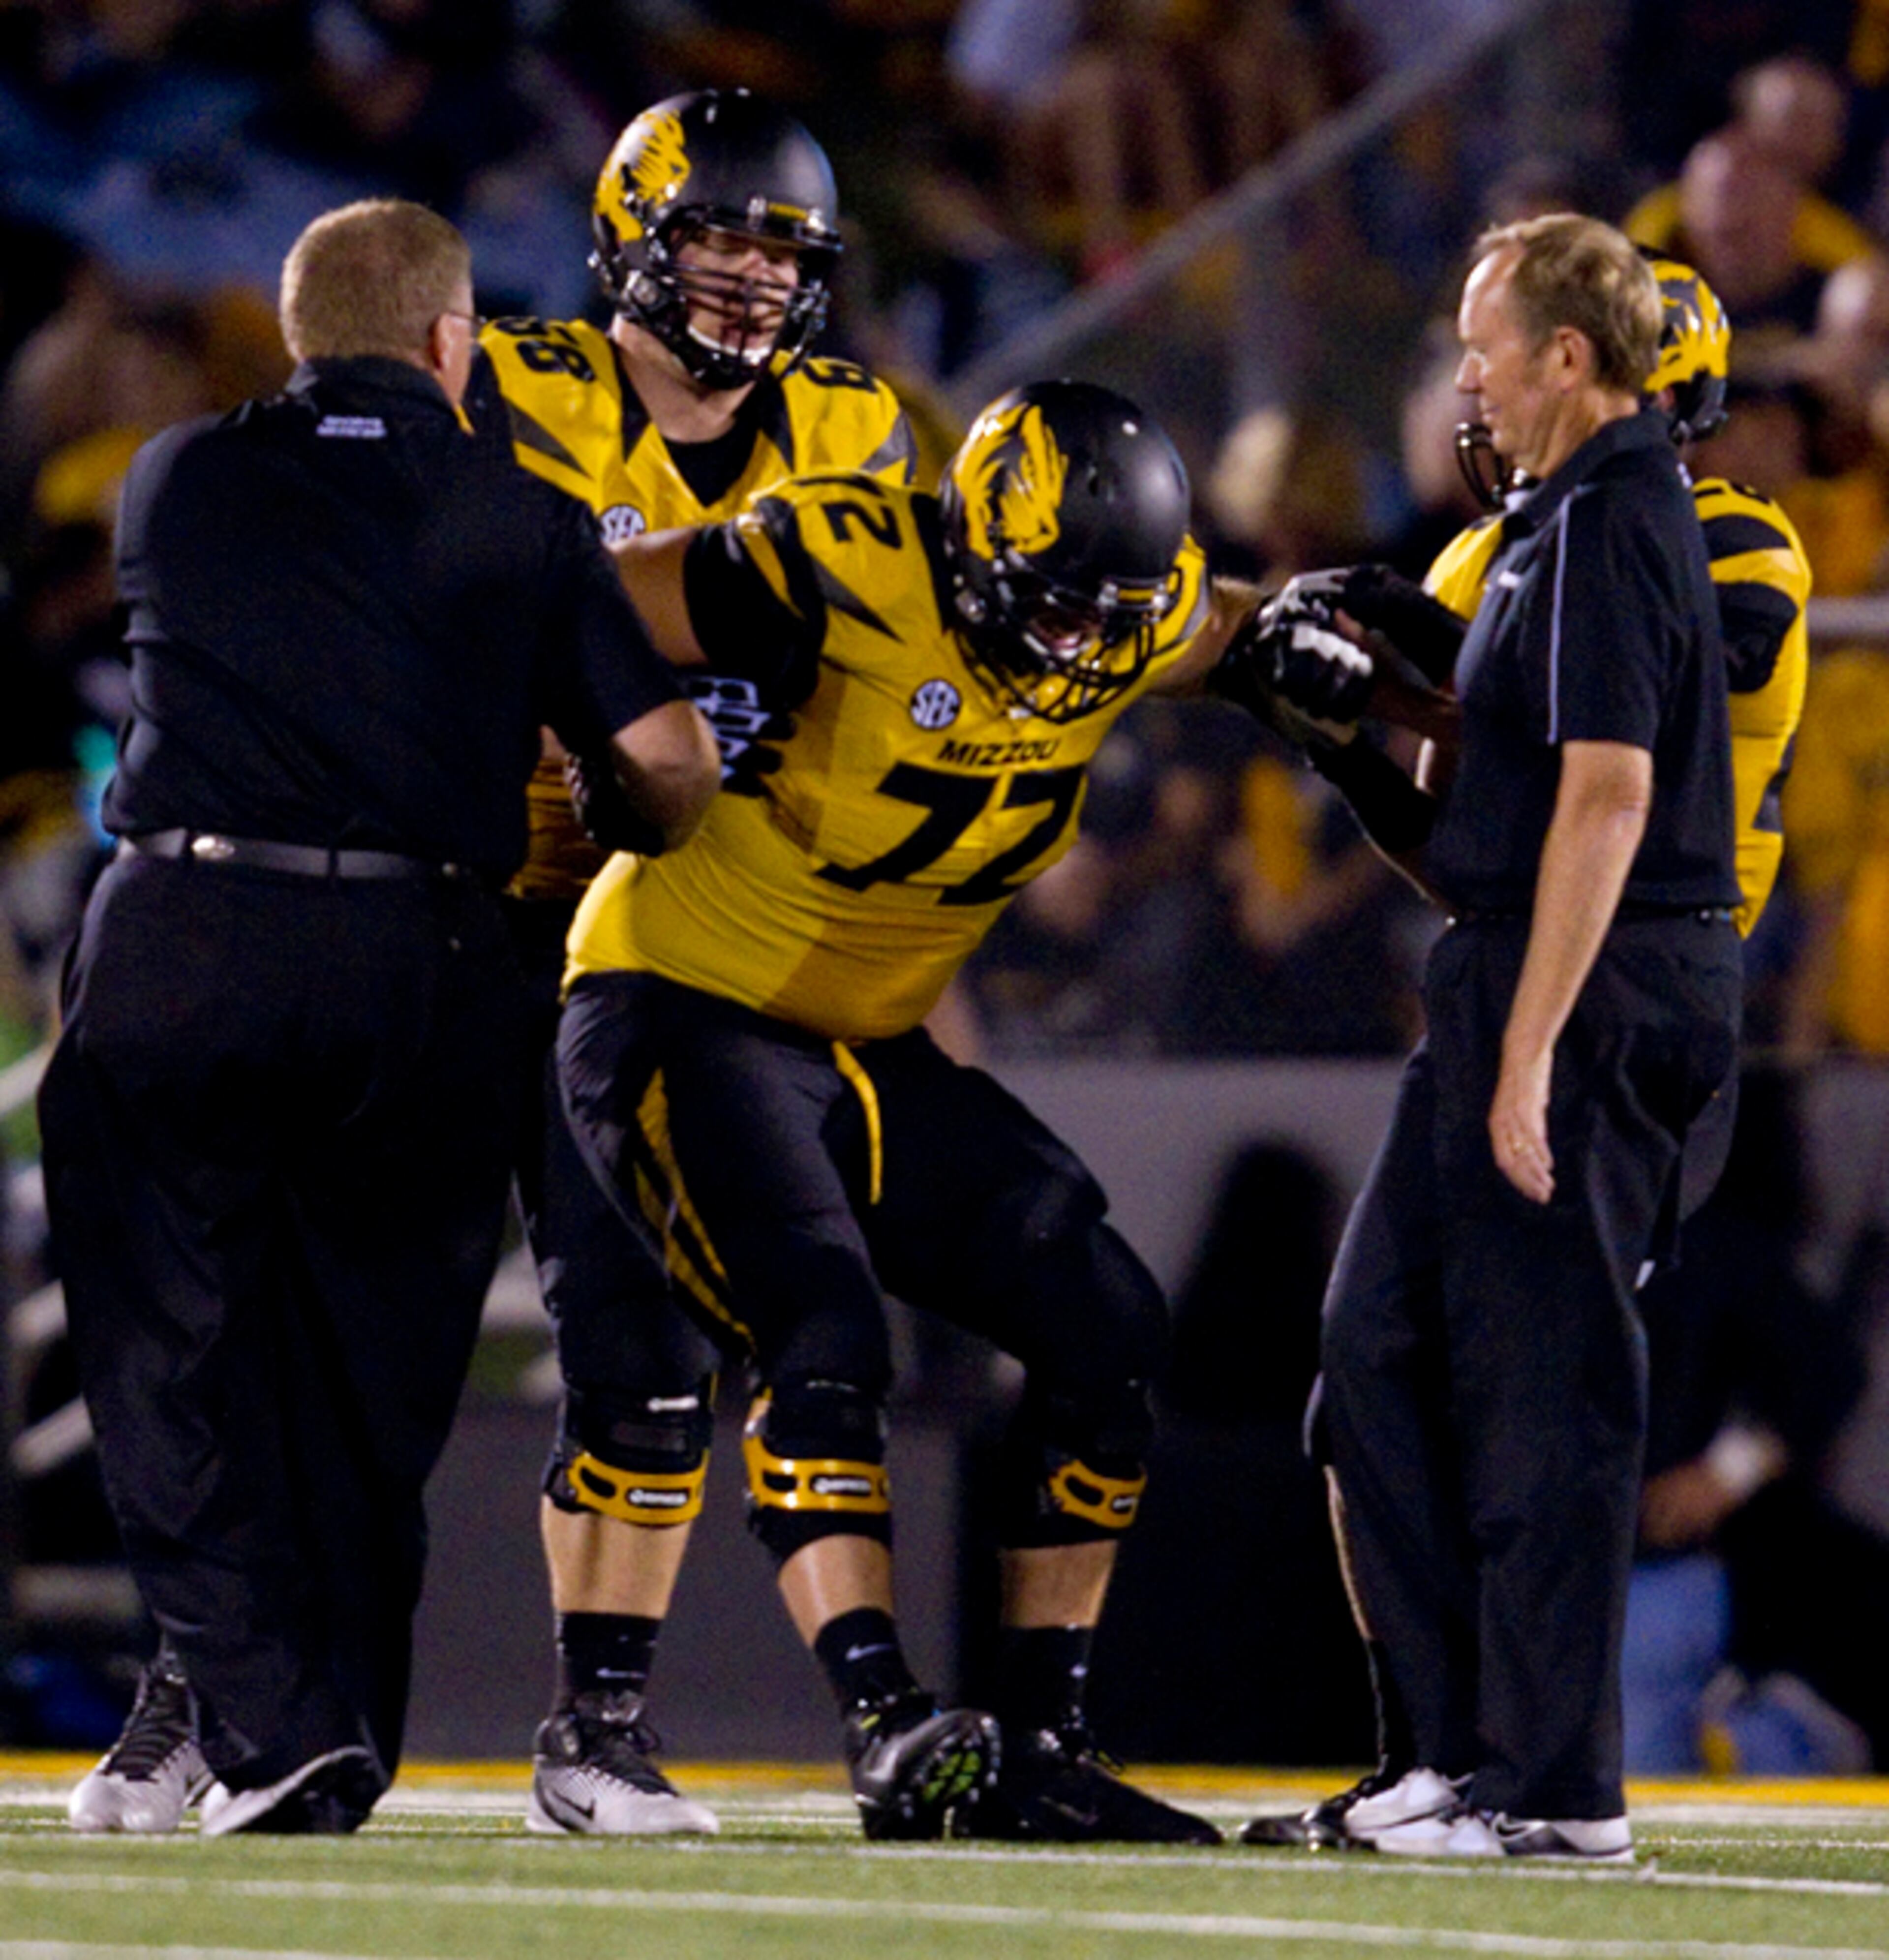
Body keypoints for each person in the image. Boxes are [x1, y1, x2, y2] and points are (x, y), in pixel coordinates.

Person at [555, 379, 1439, 1841]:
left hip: (867, 1042)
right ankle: (887, 1726)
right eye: (1057, 607)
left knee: (1107, 1321)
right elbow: (580, 600)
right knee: (821, 1328)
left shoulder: (1127, 613)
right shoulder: (837, 558)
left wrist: (1355, 666)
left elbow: (1225, 628)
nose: (1080, 646)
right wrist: (621, 749)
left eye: (1110, 616)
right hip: (682, 1002)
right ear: (976, 543)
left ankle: (1039, 1738)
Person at [41, 198, 718, 1837]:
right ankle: (318, 1726)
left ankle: (258, 1719)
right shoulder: (524, 510)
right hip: (425, 956)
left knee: (165, 1350)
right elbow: (671, 762)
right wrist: (622, 811)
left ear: (298, 332)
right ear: (449, 340)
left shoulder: (173, 477)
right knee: (370, 1379)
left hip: (190, 929)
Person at [1240, 250, 1810, 1852]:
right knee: (1373, 1357)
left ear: (1577, 358)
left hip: (1610, 987)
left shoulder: (1664, 526)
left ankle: (1548, 1784)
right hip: (1518, 969)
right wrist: (1348, 733)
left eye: (1487, 346)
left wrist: (1526, 1053)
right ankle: (1447, 1755)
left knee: (1542, 1399)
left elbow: (1610, 792)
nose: (1466, 380)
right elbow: (1486, 833)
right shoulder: (1533, 535)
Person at [471, 89, 918, 1838]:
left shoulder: (854, 425)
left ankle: (596, 1727)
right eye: (718, 240)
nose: (750, 280)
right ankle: (201, 1688)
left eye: (781, 252)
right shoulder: (522, 388)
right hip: (473, 910)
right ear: (632, 238)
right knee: (346, 1328)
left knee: (649, 1345)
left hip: (669, 941)